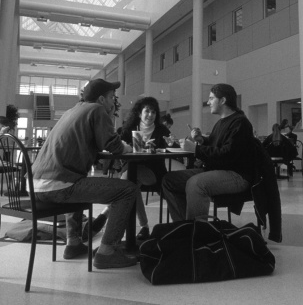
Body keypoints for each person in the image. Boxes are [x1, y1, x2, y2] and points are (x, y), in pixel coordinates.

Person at [31, 78, 138, 270]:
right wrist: (128, 147)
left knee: (78, 179)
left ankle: (73, 243)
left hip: (35, 185)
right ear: (101, 100)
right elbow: (113, 146)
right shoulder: (97, 110)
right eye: (112, 97)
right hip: (58, 184)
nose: (114, 101)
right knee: (128, 190)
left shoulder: (71, 111)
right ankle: (107, 252)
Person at [161, 83, 256, 221]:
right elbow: (216, 145)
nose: (208, 102)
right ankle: (184, 227)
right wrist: (201, 140)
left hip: (237, 175)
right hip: (219, 170)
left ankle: (199, 231)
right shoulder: (222, 122)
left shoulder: (240, 123)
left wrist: (196, 149)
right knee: (169, 180)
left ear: (222, 100)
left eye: (211, 98)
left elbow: (228, 154)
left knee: (196, 184)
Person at [119, 97, 173, 240]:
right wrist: (126, 145)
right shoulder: (129, 128)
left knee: (126, 181)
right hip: (131, 170)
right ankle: (144, 227)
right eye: (147, 111)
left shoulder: (162, 130)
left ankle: (105, 216)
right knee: (131, 185)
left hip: (154, 173)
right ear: (139, 113)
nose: (150, 115)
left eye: (153, 112)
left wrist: (169, 144)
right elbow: (119, 145)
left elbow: (171, 146)